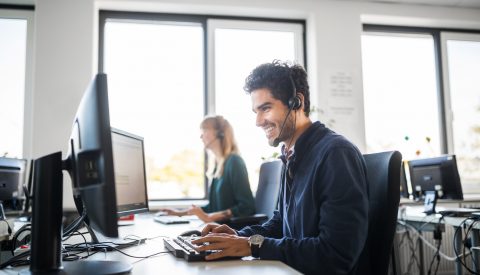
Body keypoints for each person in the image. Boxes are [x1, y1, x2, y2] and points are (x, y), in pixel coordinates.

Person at [191, 60, 369, 274]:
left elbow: (335, 254)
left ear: (297, 102)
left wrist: (251, 245)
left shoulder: (335, 154)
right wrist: (239, 236)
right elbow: (279, 224)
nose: (258, 121)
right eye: (255, 111)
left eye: (265, 108)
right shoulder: (292, 155)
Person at [162, 115, 256, 223]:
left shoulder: (234, 162)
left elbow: (247, 206)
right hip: (216, 228)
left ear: (220, 134)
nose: (201, 136)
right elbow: (212, 207)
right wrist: (179, 213)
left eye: (205, 130)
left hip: (231, 231)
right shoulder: (218, 165)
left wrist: (210, 218)